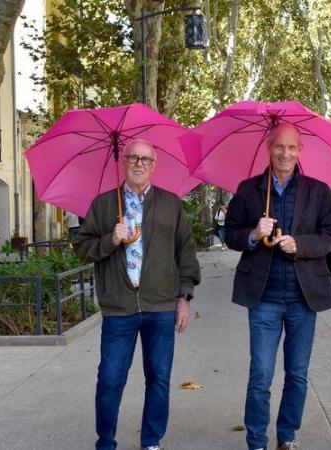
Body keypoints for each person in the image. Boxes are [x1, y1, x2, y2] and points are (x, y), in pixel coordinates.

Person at [75, 139, 201, 450]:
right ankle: (106, 442)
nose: (139, 163)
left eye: (145, 159)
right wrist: (109, 239)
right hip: (119, 307)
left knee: (158, 378)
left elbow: (186, 253)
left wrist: (184, 297)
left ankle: (151, 440)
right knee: (110, 379)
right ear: (124, 161)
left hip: (160, 306)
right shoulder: (104, 204)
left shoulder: (171, 204)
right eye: (133, 157)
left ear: (154, 165)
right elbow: (82, 249)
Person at [225, 123, 331, 450]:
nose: (285, 153)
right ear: (269, 148)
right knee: (261, 376)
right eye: (279, 147)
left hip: (305, 298)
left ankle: (286, 437)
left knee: (298, 375)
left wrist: (299, 243)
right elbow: (230, 234)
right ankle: (257, 441)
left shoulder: (318, 191)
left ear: (300, 150)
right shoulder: (249, 190)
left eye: (292, 148)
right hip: (263, 298)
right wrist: (252, 233)